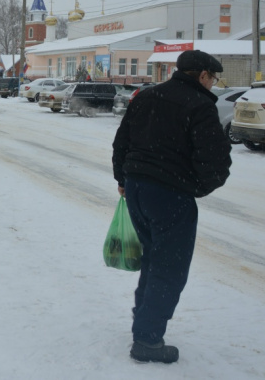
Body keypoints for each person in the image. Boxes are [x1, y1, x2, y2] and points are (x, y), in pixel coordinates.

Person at [112, 49, 231, 363]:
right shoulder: (200, 106)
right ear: (203, 75)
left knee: (154, 259)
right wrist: (195, 188)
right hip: (171, 196)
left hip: (137, 188)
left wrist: (123, 178)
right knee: (170, 269)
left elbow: (121, 141)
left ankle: (144, 321)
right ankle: (148, 340)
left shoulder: (148, 96)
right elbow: (216, 162)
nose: (214, 84)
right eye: (213, 78)